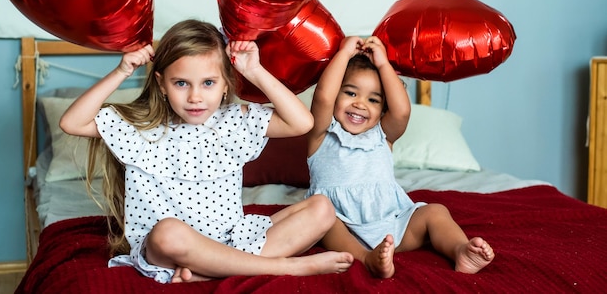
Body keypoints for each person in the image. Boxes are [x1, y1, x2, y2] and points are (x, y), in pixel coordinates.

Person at [59, 19, 353, 284]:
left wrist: (254, 70)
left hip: (231, 239)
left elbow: (301, 122)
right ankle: (287, 268)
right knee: (167, 232)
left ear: (226, 83)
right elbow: (72, 122)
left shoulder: (235, 120)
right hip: (169, 248)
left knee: (322, 208)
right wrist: (122, 71)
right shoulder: (141, 127)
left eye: (209, 83)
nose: (195, 97)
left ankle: (203, 273)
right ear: (162, 84)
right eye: (181, 83)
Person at [305, 35, 494, 279]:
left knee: (435, 212)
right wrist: (343, 55)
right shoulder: (320, 134)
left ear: (383, 109)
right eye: (351, 93)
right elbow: (322, 97)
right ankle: (367, 259)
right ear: (336, 96)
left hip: (394, 226)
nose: (361, 104)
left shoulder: (383, 136)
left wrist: (384, 64)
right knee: (324, 220)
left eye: (373, 100)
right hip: (345, 227)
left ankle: (460, 250)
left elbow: (402, 110)